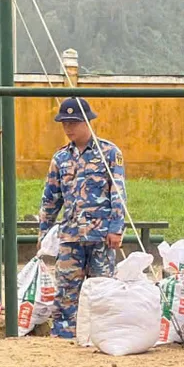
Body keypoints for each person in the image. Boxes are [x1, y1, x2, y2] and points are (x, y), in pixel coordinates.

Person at [39, 97, 127, 339]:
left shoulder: (109, 153)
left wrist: (116, 228)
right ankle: (64, 335)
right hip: (70, 235)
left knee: (102, 288)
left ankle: (101, 335)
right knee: (66, 290)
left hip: (101, 235)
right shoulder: (60, 158)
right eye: (65, 123)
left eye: (74, 123)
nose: (68, 128)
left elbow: (118, 192)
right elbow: (50, 198)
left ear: (87, 121)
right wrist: (44, 232)